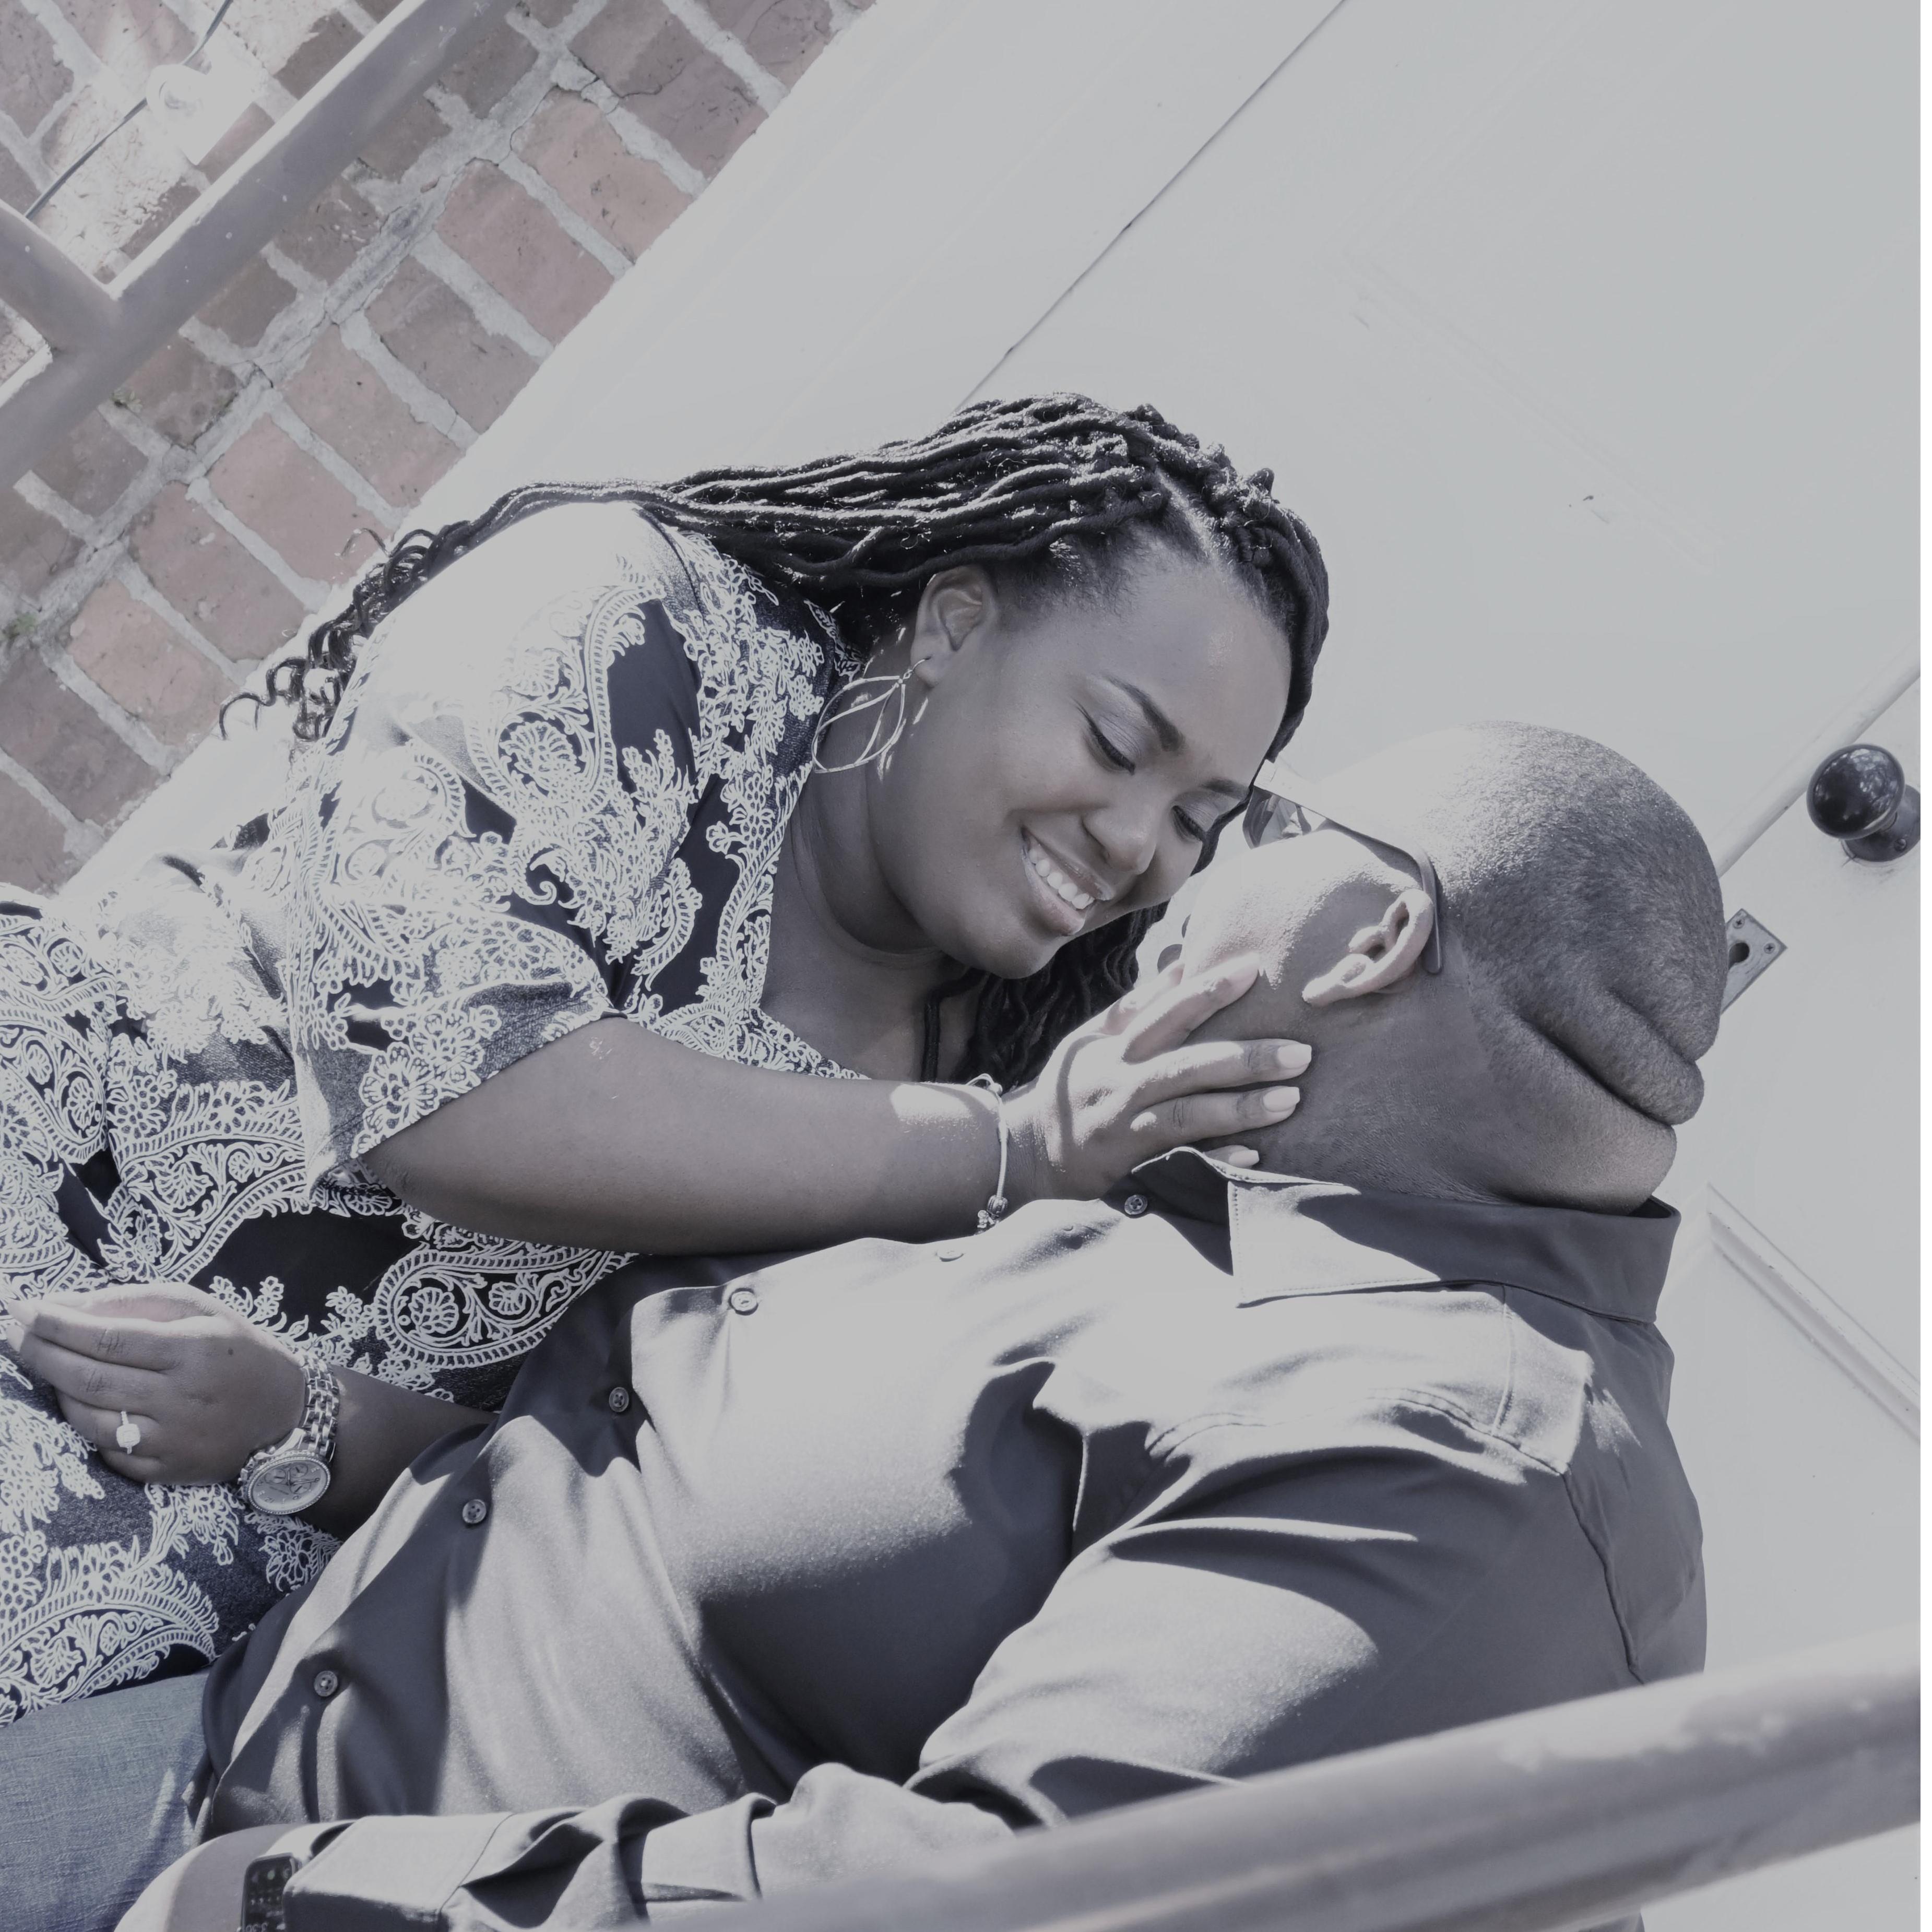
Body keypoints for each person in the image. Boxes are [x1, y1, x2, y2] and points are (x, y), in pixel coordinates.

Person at [0, 719, 1726, 1932]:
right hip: (204, 1760)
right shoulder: (1191, 1195)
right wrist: (317, 1430)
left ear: (1374, 931)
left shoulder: (1469, 1464)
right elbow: (681, 1511)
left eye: (1261, 827)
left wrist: (299, 1904)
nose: (1182, 877)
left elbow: (994, 1900)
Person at [0, 395, 1331, 1718]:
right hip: (45, 1158)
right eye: (1116, 744)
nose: (1135, 843)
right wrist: (1005, 1153)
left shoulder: (1014, 1106)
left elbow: (632, 1507)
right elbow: (447, 1084)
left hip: (201, 1595)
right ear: (954, 623)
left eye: (1197, 819)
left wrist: (303, 1424)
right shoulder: (636, 624)